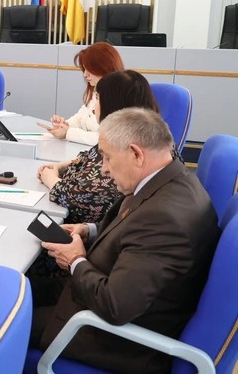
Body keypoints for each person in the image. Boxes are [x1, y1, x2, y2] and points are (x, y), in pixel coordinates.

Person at [30, 107, 220, 372]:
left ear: (136, 154)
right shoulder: (172, 179)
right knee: (20, 287)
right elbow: (133, 231)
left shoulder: (164, 220)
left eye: (107, 158)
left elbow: (114, 306)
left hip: (107, 335)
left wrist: (75, 260)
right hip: (94, 290)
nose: (104, 169)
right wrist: (89, 230)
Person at [37, 70, 161, 224]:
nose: (94, 108)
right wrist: (60, 166)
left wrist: (51, 179)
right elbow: (90, 156)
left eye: (97, 99)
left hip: (84, 229)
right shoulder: (137, 131)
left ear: (112, 104)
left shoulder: (125, 146)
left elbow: (85, 201)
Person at [39, 42, 124, 145]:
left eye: (89, 69)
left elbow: (106, 138)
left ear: (104, 67)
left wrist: (68, 133)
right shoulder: (95, 91)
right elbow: (80, 118)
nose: (85, 74)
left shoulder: (119, 97)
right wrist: (64, 125)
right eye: (84, 69)